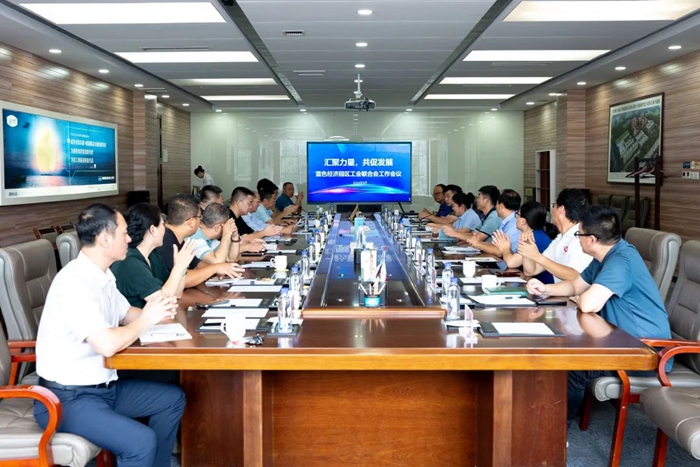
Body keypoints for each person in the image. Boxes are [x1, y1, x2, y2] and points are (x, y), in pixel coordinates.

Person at [34, 203, 185, 467]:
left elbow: (127, 314)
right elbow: (106, 344)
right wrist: (148, 318)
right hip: (65, 400)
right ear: (105, 239)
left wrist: (159, 312)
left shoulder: (102, 276)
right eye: (124, 233)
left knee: (172, 400)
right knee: (140, 442)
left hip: (104, 390)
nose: (129, 239)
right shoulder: (75, 283)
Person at [525, 205, 672, 427]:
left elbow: (587, 304)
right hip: (619, 340)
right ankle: (542, 416)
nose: (578, 239)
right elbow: (576, 285)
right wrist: (544, 289)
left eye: (579, 234)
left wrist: (581, 297)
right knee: (558, 348)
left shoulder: (621, 261)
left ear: (592, 240)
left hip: (644, 351)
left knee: (572, 366)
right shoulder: (605, 256)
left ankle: (557, 431)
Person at [111, 203, 196, 308]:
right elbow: (162, 302)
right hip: (138, 318)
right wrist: (178, 267)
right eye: (162, 224)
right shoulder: (130, 262)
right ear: (153, 230)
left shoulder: (153, 255)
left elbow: (177, 293)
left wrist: (183, 267)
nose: (165, 229)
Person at [156, 194, 244, 287]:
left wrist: (221, 269)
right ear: (191, 222)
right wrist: (215, 268)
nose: (201, 222)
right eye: (199, 217)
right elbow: (181, 279)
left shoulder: (180, 240)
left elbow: (198, 265)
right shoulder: (164, 241)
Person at [520, 188, 593, 282]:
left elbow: (576, 276)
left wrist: (537, 256)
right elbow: (531, 271)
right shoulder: (559, 238)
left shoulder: (581, 237)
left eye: (554, 205)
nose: (552, 209)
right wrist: (526, 248)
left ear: (561, 210)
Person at [492, 201, 559, 284]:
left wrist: (505, 249)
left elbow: (511, 262)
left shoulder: (533, 238)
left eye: (517, 215)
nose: (516, 218)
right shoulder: (535, 234)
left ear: (523, 221)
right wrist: (507, 249)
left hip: (541, 286)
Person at [442, 188, 520, 258]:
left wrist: (477, 243)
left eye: (479, 197)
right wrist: (476, 242)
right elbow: (476, 236)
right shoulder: (505, 221)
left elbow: (499, 251)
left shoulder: (511, 224)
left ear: (501, 206)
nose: (477, 200)